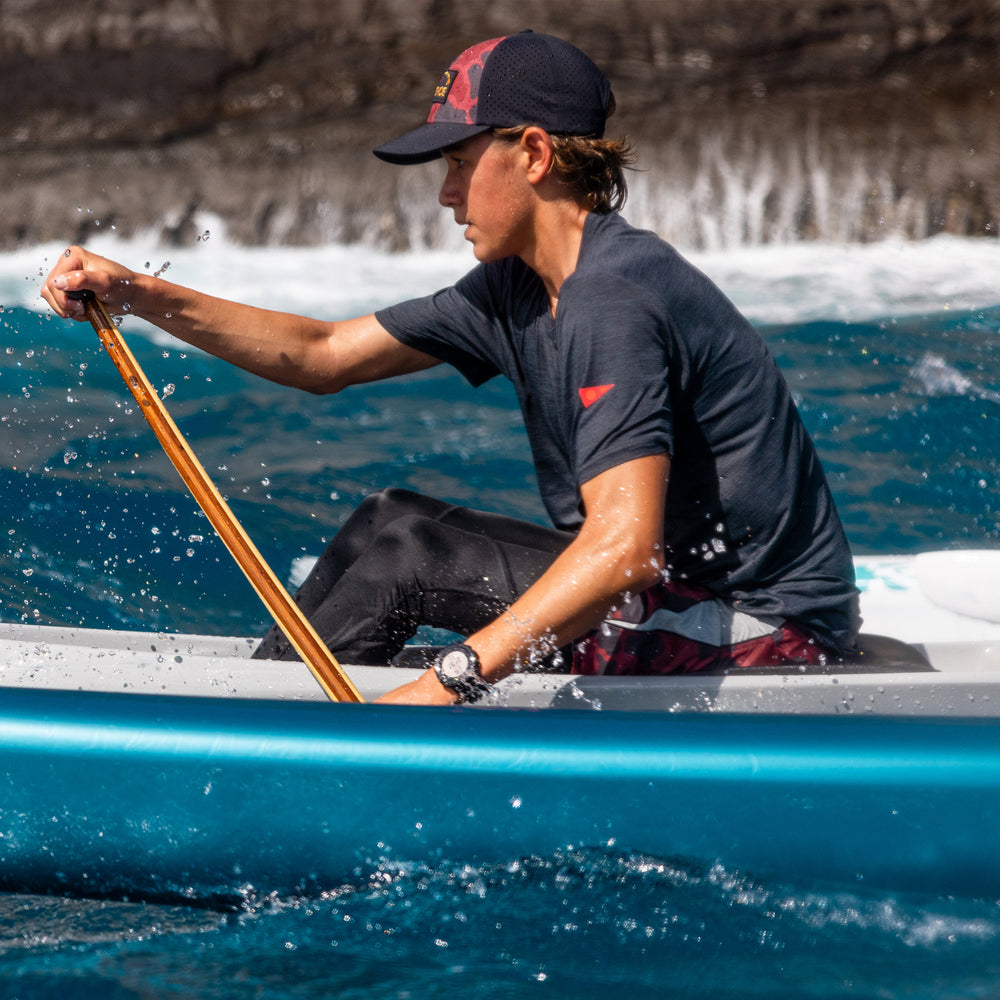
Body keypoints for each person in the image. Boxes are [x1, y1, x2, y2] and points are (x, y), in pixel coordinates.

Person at [42, 30, 860, 706]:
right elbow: (323, 356)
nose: (446, 194)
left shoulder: (612, 298)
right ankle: (276, 707)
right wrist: (135, 292)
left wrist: (450, 680)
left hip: (764, 634)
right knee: (386, 520)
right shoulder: (516, 289)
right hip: (665, 606)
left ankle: (281, 756)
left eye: (460, 162)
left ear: (533, 153)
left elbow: (624, 550)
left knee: (414, 559)